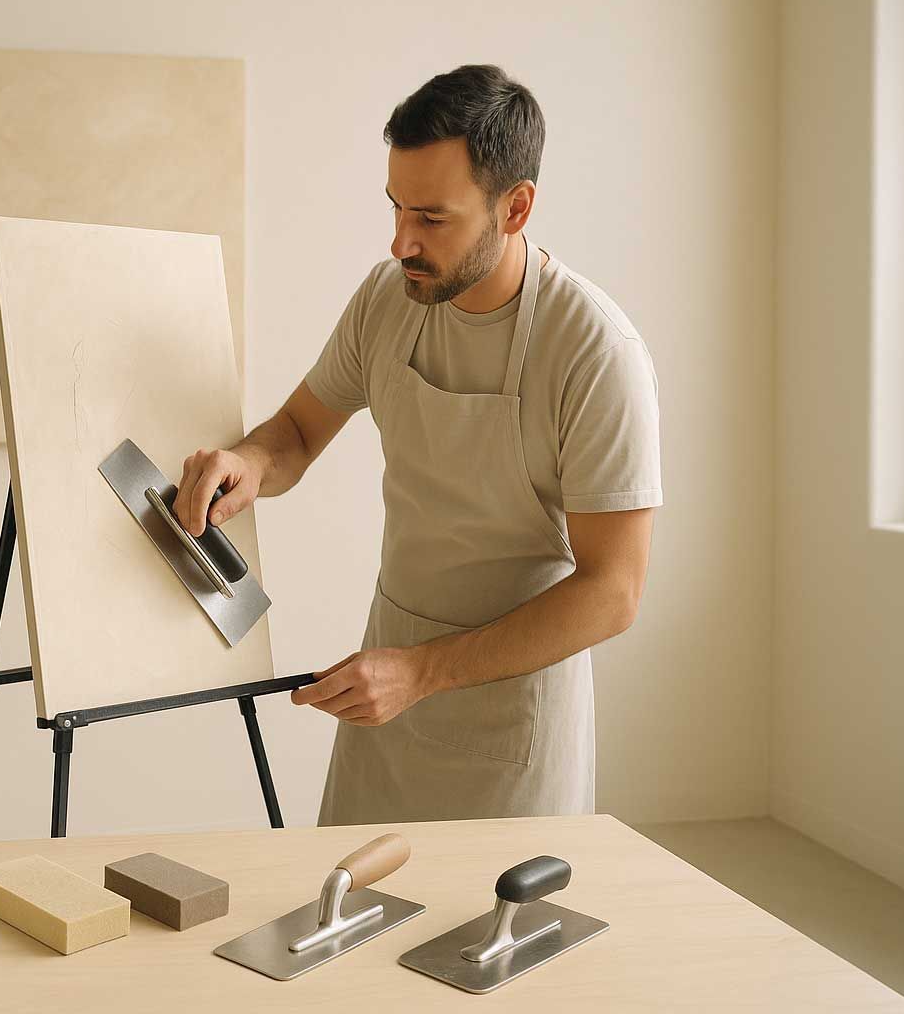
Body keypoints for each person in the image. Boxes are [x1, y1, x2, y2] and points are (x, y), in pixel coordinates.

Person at [172, 64, 662, 824]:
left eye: (432, 218)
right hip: (385, 687)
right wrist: (249, 464)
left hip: (511, 715)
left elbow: (614, 592)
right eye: (397, 207)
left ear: (517, 207)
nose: (402, 240)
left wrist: (424, 672)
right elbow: (298, 432)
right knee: (347, 918)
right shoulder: (387, 298)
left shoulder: (595, 350)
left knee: (482, 934)